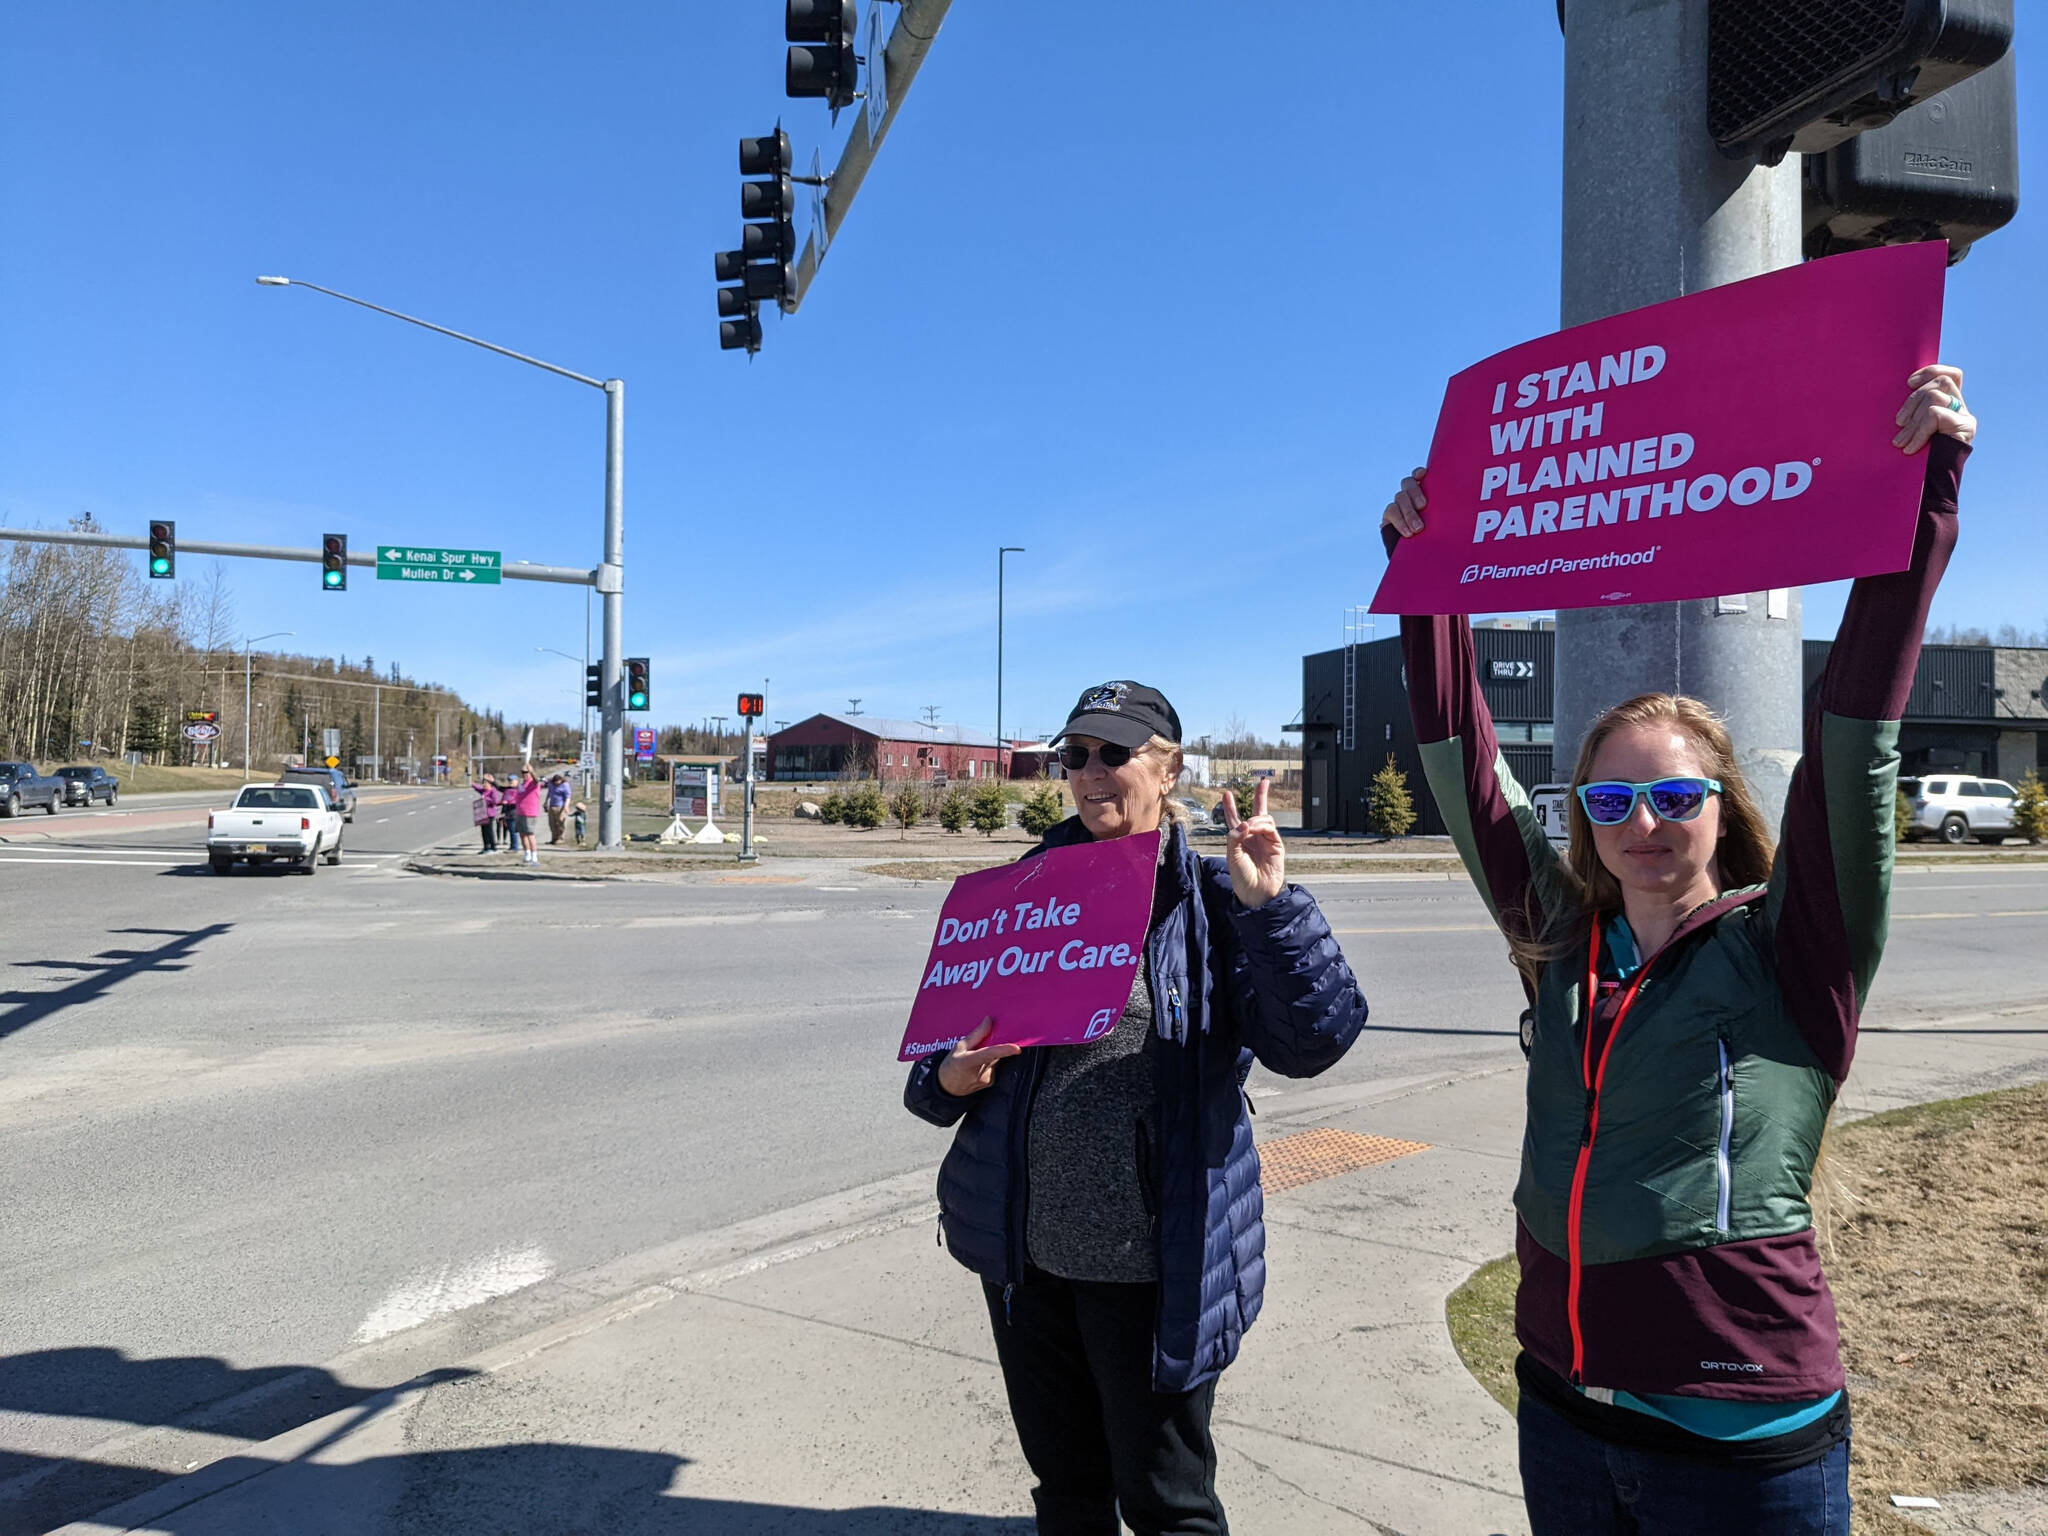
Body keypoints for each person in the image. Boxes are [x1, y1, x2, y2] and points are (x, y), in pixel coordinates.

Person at [1378, 365, 1975, 1535]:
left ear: (1719, 802)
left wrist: (1920, 497)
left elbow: (1854, 739)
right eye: (1607, 805)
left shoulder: (1795, 949)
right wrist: (1427, 578)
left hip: (1739, 1439)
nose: (1639, 826)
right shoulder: (1560, 946)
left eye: (1670, 797)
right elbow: (1466, 778)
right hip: (1559, 1405)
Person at [904, 680, 1369, 1536]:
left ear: (1168, 770)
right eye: (1073, 755)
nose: (1089, 772)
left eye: (1114, 753)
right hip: (1026, 1261)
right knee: (1067, 1490)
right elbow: (931, 1072)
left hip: (1154, 1266)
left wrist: (1271, 909)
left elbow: (1312, 1044)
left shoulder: (1214, 902)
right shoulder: (1018, 896)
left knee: (1167, 1502)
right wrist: (948, 1080)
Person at [510, 766, 544, 865]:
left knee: (530, 834)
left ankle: (534, 857)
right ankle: (527, 855)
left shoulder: (533, 783)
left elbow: (536, 780)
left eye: (526, 772)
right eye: (523, 772)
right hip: (520, 812)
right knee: (522, 834)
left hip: (530, 813)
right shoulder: (522, 784)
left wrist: (531, 771)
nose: (524, 774)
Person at [469, 774, 499, 853]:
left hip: (490, 814)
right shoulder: (484, 791)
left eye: (485, 783)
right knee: (483, 831)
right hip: (483, 814)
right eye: (483, 783)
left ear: (490, 784)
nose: (484, 785)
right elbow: (478, 788)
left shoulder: (493, 791)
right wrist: (473, 784)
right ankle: (486, 847)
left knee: (489, 830)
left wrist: (486, 799)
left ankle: (493, 847)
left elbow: (495, 801)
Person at [545, 772, 571, 844]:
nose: (556, 784)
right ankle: (554, 838)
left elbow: (568, 797)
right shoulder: (551, 784)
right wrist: (546, 802)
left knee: (560, 822)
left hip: (561, 806)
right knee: (552, 823)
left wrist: (566, 807)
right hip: (552, 806)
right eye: (555, 782)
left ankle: (561, 838)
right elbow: (549, 793)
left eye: (558, 782)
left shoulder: (565, 785)